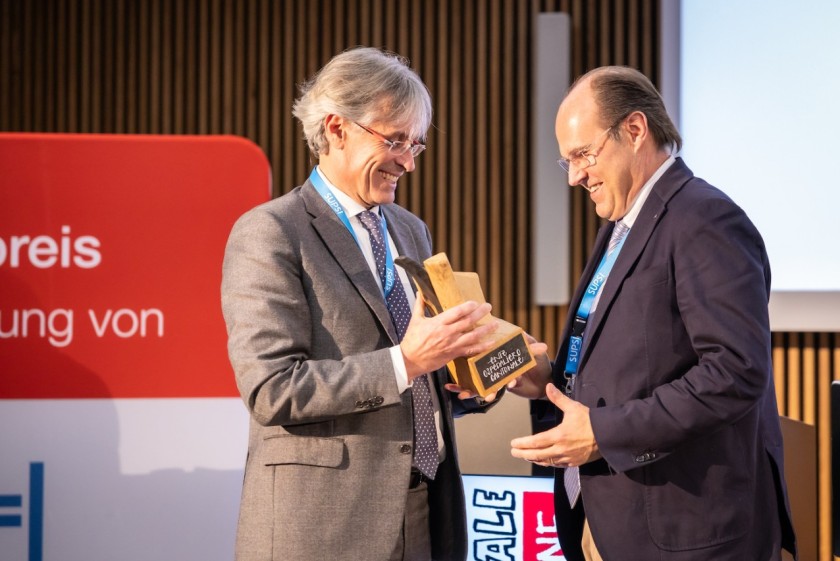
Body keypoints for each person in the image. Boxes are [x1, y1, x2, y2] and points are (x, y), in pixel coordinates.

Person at [221, 46, 505, 561]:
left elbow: (413, 375)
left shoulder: (410, 230)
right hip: (323, 527)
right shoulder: (270, 232)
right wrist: (410, 360)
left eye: (416, 145)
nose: (409, 162)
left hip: (425, 511)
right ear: (336, 128)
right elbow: (272, 389)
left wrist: (466, 379)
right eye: (395, 140)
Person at [508, 66, 797, 561]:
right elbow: (630, 363)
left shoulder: (704, 218)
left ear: (635, 130)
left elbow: (735, 372)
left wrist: (604, 432)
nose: (575, 175)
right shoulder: (622, 224)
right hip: (612, 519)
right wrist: (548, 380)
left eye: (583, 154)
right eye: (568, 162)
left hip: (687, 532)